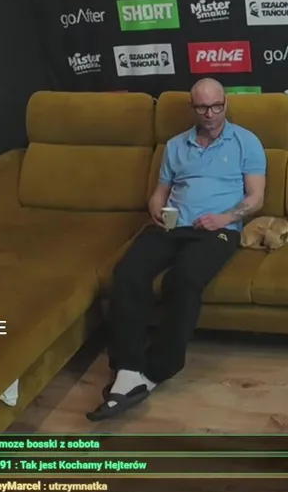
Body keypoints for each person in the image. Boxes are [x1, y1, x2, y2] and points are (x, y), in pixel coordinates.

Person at [88, 79, 267, 421]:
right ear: (192, 108)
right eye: (203, 107)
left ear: (226, 103)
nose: (210, 114)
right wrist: (156, 209)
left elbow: (256, 197)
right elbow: (160, 192)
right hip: (171, 227)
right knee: (127, 274)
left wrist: (225, 218)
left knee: (182, 280)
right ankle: (127, 369)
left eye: (217, 106)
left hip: (218, 231)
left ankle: (158, 369)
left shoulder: (246, 142)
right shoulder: (175, 145)